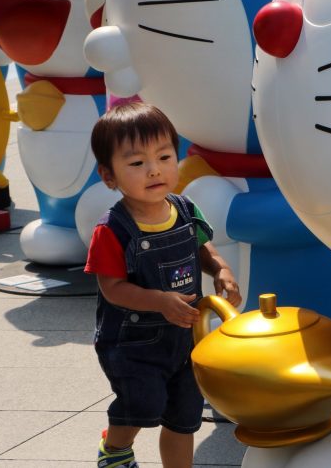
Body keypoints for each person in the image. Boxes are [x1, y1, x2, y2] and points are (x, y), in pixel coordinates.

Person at [85, 103, 242, 468]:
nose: (154, 169)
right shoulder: (111, 229)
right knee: (141, 405)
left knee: (184, 416)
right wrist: (159, 301)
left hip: (186, 338)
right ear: (109, 176)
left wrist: (220, 269)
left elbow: (201, 245)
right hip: (132, 343)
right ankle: (115, 448)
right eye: (137, 163)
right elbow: (113, 288)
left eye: (164, 156)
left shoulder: (185, 209)